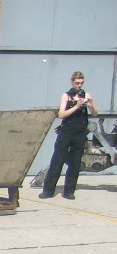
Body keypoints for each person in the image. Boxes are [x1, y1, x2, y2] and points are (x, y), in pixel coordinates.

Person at [39, 71, 97, 200]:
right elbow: (61, 115)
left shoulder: (85, 94)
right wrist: (76, 106)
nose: (79, 85)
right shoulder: (66, 96)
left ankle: (69, 191)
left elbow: (95, 113)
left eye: (81, 83)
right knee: (57, 161)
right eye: (77, 83)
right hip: (66, 132)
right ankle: (48, 191)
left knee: (75, 163)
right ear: (72, 82)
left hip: (80, 133)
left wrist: (91, 105)